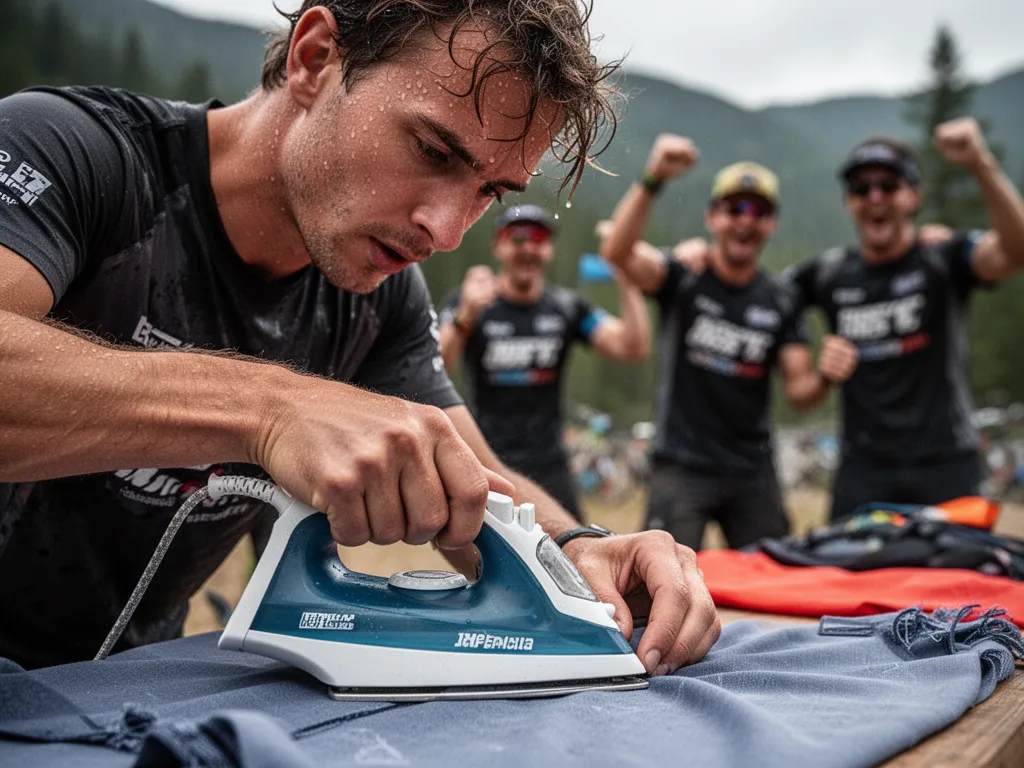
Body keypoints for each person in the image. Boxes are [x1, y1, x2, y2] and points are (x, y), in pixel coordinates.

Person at [0, 1, 719, 674]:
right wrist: (270, 410)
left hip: (113, 690)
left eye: (490, 191)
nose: (446, 231)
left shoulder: (376, 292)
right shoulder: (74, 152)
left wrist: (579, 548)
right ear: (315, 59)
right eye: (435, 151)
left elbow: (474, 472)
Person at [599, 134, 854, 551]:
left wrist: (826, 376)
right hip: (681, 465)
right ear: (712, 217)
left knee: (773, 588)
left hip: (752, 469)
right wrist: (654, 178)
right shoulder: (684, 276)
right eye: (734, 208)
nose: (746, 220)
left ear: (772, 224)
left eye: (759, 212)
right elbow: (617, 251)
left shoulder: (782, 298)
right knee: (661, 586)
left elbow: (800, 393)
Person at [782, 120, 1024, 520]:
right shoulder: (828, 274)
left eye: (889, 186)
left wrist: (979, 162)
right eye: (861, 188)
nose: (875, 196)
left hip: (946, 462)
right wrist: (693, 260)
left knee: (960, 582)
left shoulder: (942, 258)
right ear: (848, 202)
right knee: (847, 580)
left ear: (914, 196)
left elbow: (1015, 251)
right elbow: (758, 292)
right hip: (863, 469)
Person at [437, 203, 650, 520]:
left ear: (550, 249)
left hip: (549, 463)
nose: (528, 248)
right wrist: (466, 316)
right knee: (490, 561)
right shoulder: (471, 303)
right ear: (498, 246)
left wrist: (624, 272)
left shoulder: (565, 308)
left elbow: (632, 346)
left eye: (538, 238)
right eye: (517, 238)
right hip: (486, 459)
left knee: (573, 553)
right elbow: (435, 365)